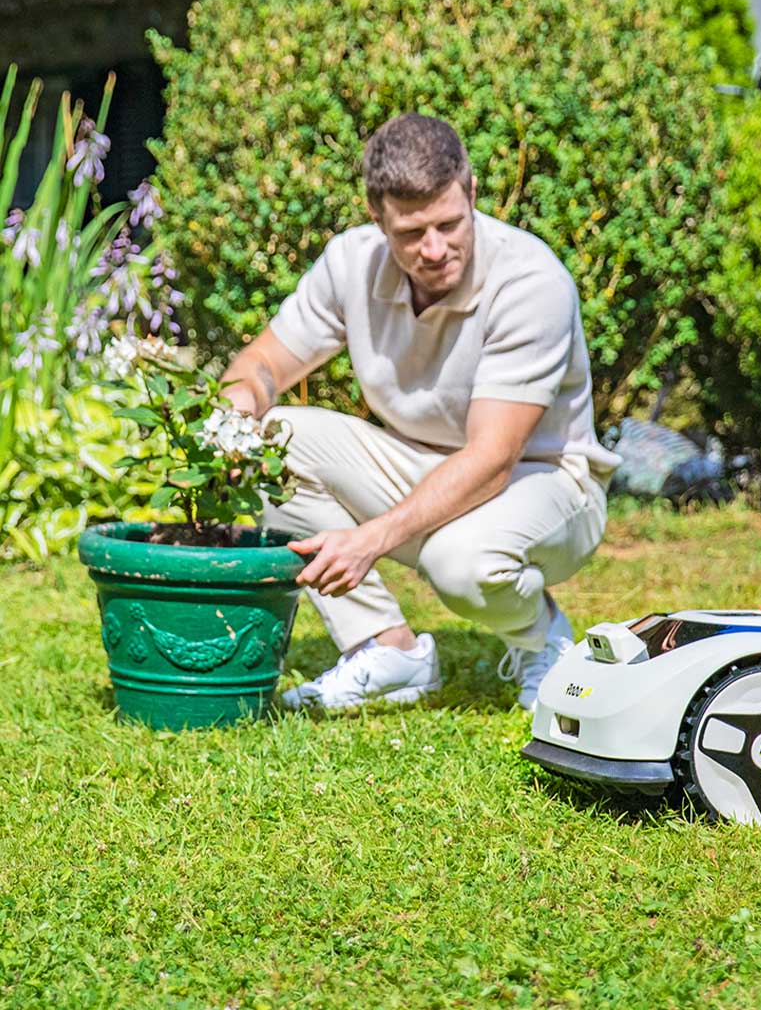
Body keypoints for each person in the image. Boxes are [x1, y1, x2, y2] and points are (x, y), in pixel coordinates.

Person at [220, 112, 619, 711]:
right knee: (265, 441)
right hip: (425, 465)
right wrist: (232, 420)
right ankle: (386, 649)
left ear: (472, 193)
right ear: (378, 218)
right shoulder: (351, 262)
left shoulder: (531, 281)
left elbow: (491, 460)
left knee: (459, 562)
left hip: (550, 482)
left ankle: (544, 641)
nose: (434, 250)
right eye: (411, 233)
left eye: (449, 224)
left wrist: (370, 539)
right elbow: (262, 366)